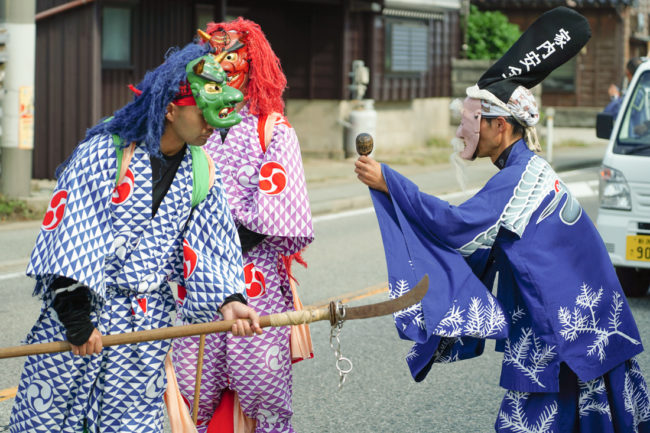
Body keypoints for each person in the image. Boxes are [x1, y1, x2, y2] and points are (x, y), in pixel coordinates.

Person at [355, 7, 650, 432]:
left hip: (564, 329)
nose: (462, 132)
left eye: (471, 121)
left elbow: (455, 228)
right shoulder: (528, 170)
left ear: (500, 126)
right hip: (584, 321)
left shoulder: (517, 179)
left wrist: (390, 182)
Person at [9, 42, 262, 433]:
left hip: (144, 330)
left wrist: (230, 300)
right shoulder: (103, 154)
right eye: (204, 113)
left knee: (130, 424)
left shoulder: (201, 170)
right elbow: (74, 229)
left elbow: (211, 244)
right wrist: (77, 317)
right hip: (80, 321)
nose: (213, 125)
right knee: (50, 420)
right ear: (171, 107)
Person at [172, 19, 314, 433]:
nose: (222, 61)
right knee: (193, 384)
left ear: (254, 63)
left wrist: (217, 245)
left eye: (232, 53)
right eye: (213, 53)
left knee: (263, 389)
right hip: (195, 279)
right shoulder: (188, 125)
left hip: (256, 280)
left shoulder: (274, 129)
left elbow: (281, 211)